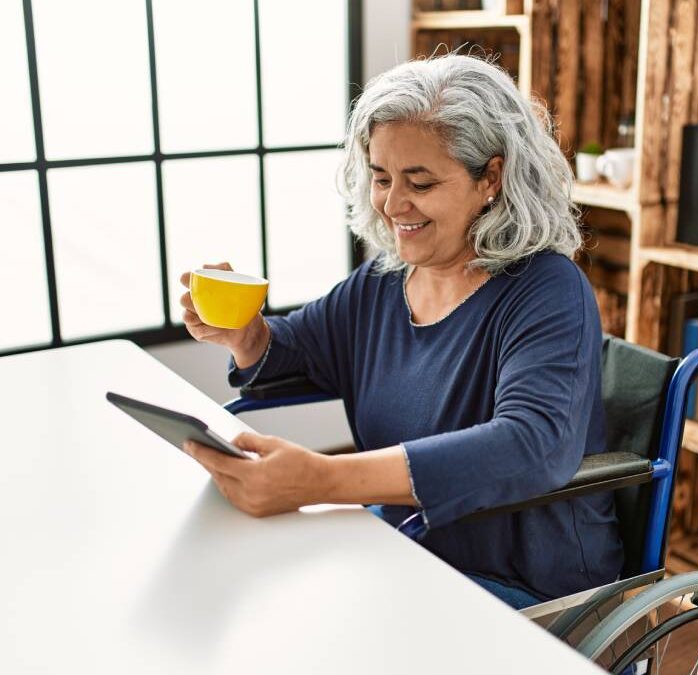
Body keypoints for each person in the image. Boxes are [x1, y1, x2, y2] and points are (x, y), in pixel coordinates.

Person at [179, 53, 623, 610]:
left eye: (420, 182)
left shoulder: (547, 290)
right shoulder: (382, 283)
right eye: (381, 178)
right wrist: (243, 333)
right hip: (403, 550)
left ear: (491, 177)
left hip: (520, 584)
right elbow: (296, 348)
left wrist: (322, 480)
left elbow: (532, 444)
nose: (392, 204)